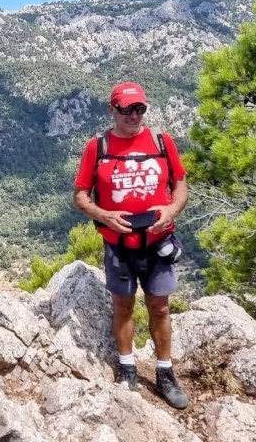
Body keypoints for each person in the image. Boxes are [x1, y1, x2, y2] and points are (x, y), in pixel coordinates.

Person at [72, 81, 190, 410]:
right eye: (126, 109)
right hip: (118, 245)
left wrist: (170, 211)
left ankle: (165, 373)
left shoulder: (162, 142)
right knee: (122, 305)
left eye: (140, 108)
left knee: (160, 306)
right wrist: (104, 215)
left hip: (157, 241)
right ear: (112, 110)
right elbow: (80, 195)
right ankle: (127, 369)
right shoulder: (98, 147)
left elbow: (180, 184)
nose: (134, 115)